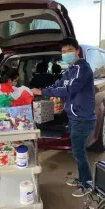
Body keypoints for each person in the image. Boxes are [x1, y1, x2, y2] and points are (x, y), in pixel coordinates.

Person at [32, 37, 96, 197]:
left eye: (69, 51)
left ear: (77, 51)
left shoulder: (83, 69)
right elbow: (59, 84)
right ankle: (81, 179)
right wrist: (41, 90)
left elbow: (70, 89)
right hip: (74, 117)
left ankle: (87, 183)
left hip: (82, 118)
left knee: (79, 152)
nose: (66, 54)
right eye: (63, 52)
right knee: (76, 151)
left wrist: (44, 92)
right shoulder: (70, 70)